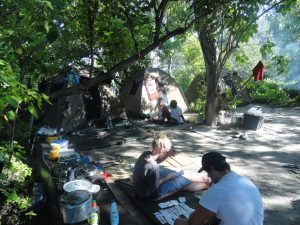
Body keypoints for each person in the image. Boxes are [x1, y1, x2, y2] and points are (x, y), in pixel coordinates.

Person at [174, 151, 264, 225]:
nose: (208, 175)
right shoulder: (245, 180)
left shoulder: (217, 189)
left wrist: (193, 217)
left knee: (179, 222)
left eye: (208, 172)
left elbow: (193, 222)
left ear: (212, 168)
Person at [133, 132, 211, 200]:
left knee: (175, 174)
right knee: (181, 183)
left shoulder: (146, 154)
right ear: (160, 149)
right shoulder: (154, 167)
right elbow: (154, 186)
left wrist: (168, 155)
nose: (166, 153)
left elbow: (156, 160)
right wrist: (168, 178)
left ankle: (203, 179)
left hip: (141, 187)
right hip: (150, 195)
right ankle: (206, 185)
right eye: (166, 152)